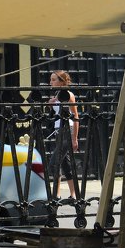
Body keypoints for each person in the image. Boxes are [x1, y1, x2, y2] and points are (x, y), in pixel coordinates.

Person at [46, 70, 81, 199]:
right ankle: (74, 194)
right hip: (58, 131)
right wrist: (50, 105)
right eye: (51, 79)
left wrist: (75, 138)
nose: (51, 82)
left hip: (68, 130)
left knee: (54, 163)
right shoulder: (56, 94)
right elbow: (57, 113)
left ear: (62, 82)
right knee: (65, 164)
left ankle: (57, 194)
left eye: (54, 79)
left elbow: (76, 116)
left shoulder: (69, 95)